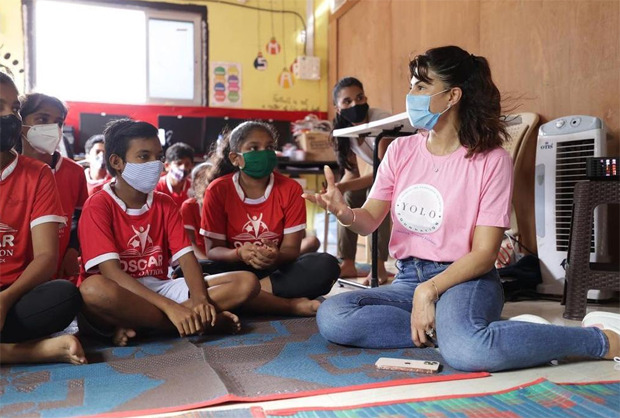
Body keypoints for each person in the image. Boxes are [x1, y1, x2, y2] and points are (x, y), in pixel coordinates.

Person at [306, 46, 620, 372]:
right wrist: (344, 212)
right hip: (408, 279)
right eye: (412, 85)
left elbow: (485, 254)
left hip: (466, 279)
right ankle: (458, 329)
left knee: (468, 352)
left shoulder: (492, 161)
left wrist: (429, 291)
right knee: (334, 316)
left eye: (421, 86)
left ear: (452, 95)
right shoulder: (400, 151)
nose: (409, 94)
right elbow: (369, 220)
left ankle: (600, 339)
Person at [77, 119, 260, 346]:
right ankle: (191, 321)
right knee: (92, 290)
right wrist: (171, 308)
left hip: (159, 285)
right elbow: (112, 274)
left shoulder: (164, 203)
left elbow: (186, 257)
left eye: (158, 156)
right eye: (144, 156)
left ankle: (151, 325)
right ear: (117, 162)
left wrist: (201, 299)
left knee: (246, 282)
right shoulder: (98, 205)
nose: (155, 164)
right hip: (121, 291)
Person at [201, 121, 340, 316]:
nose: (263, 153)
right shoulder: (217, 190)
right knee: (188, 274)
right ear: (235, 158)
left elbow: (291, 250)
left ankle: (238, 296)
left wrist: (276, 256)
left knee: (326, 265)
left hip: (274, 272)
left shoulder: (291, 189)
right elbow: (213, 251)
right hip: (233, 269)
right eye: (254, 148)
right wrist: (240, 254)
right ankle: (286, 305)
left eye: (269, 147)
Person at [0, 72, 85, 365]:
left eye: (13, 109)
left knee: (64, 296)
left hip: (17, 292)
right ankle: (26, 352)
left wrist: (5, 299)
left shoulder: (38, 174)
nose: (8, 117)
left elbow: (47, 257)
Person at [19, 93, 89, 283]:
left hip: (57, 275)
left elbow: (79, 216)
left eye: (58, 122)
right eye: (42, 119)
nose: (52, 128)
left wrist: (73, 249)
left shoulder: (74, 172)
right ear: (20, 122)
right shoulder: (11, 169)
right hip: (13, 274)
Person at [332, 77, 393, 285]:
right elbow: (353, 173)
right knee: (348, 196)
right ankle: (348, 262)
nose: (355, 104)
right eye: (347, 101)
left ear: (366, 97)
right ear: (338, 108)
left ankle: (379, 266)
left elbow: (383, 175)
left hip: (402, 176)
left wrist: (343, 185)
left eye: (359, 98)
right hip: (381, 177)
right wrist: (339, 187)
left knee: (375, 195)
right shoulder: (345, 130)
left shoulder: (381, 122)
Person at [180, 161, 212, 260]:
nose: (206, 183)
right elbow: (189, 242)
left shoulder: (223, 204)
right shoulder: (189, 206)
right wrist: (207, 262)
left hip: (222, 258)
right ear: (193, 184)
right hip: (201, 258)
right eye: (201, 179)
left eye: (210, 179)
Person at [156, 142, 194, 207]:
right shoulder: (156, 188)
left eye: (187, 164)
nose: (183, 168)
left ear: (192, 166)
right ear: (167, 166)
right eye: (178, 164)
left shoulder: (194, 188)